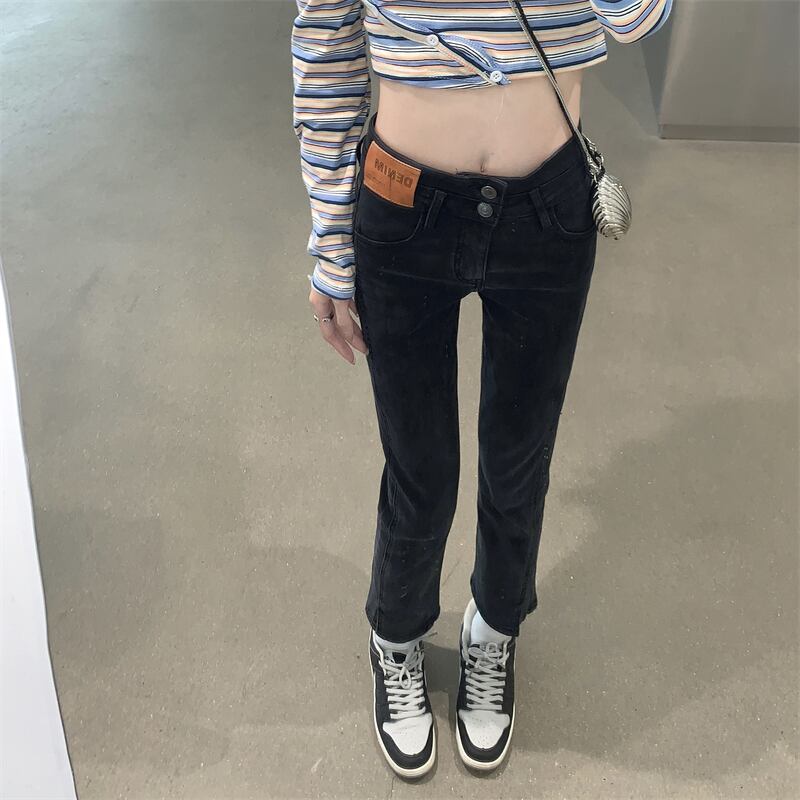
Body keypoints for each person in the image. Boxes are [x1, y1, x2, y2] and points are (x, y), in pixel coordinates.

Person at [291, 0, 673, 778]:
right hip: (402, 202)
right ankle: (396, 634)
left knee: (519, 458)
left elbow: (640, 18)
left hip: (548, 207)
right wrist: (331, 245)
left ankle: (494, 629)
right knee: (420, 466)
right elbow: (327, 46)